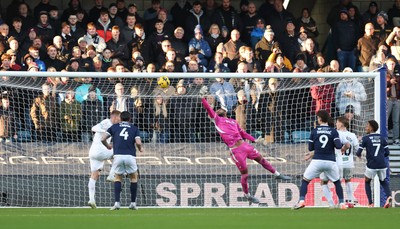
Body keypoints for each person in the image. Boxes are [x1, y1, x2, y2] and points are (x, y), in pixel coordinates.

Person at [201, 97, 291, 204]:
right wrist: (203, 99)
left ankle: (277, 174)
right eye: (217, 110)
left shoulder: (233, 121)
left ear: (225, 112)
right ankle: (247, 195)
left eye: (221, 109)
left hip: (245, 145)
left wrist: (254, 140)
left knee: (262, 160)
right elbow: (208, 108)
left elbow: (243, 133)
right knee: (245, 174)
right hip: (236, 151)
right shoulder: (217, 120)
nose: (219, 110)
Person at [293, 110, 348, 210]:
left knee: (305, 180)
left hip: (317, 161)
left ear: (320, 119)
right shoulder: (333, 131)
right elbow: (339, 146)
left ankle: (301, 201)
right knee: (336, 182)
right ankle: (341, 203)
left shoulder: (314, 131)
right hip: (330, 161)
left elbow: (310, 148)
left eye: (318, 117)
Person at [102, 111, 144, 210]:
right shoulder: (134, 128)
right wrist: (140, 148)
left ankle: (117, 203)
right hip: (130, 156)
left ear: (120, 118)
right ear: (130, 119)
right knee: (134, 178)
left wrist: (108, 145)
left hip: (118, 156)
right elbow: (138, 142)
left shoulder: (114, 127)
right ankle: (133, 203)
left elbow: (103, 138)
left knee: (118, 178)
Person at [320, 117, 359, 208]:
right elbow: (357, 148)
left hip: (337, 162)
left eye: (337, 122)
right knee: (348, 180)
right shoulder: (352, 135)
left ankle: (336, 202)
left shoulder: (335, 133)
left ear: (341, 124)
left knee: (332, 182)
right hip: (349, 163)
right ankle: (350, 201)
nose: (336, 124)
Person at [87, 110, 121, 209]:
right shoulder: (107, 122)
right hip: (100, 151)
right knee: (119, 152)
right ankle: (111, 175)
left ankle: (91, 199)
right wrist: (105, 131)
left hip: (93, 152)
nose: (119, 121)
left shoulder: (113, 126)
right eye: (119, 119)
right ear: (114, 117)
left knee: (94, 175)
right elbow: (94, 128)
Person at [356, 120, 393, 208]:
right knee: (383, 181)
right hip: (382, 164)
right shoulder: (382, 138)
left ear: (371, 128)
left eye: (367, 126)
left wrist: (360, 157)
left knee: (367, 181)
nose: (366, 127)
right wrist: (380, 156)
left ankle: (370, 203)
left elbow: (358, 152)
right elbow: (387, 152)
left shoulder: (365, 138)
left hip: (371, 165)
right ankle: (389, 196)